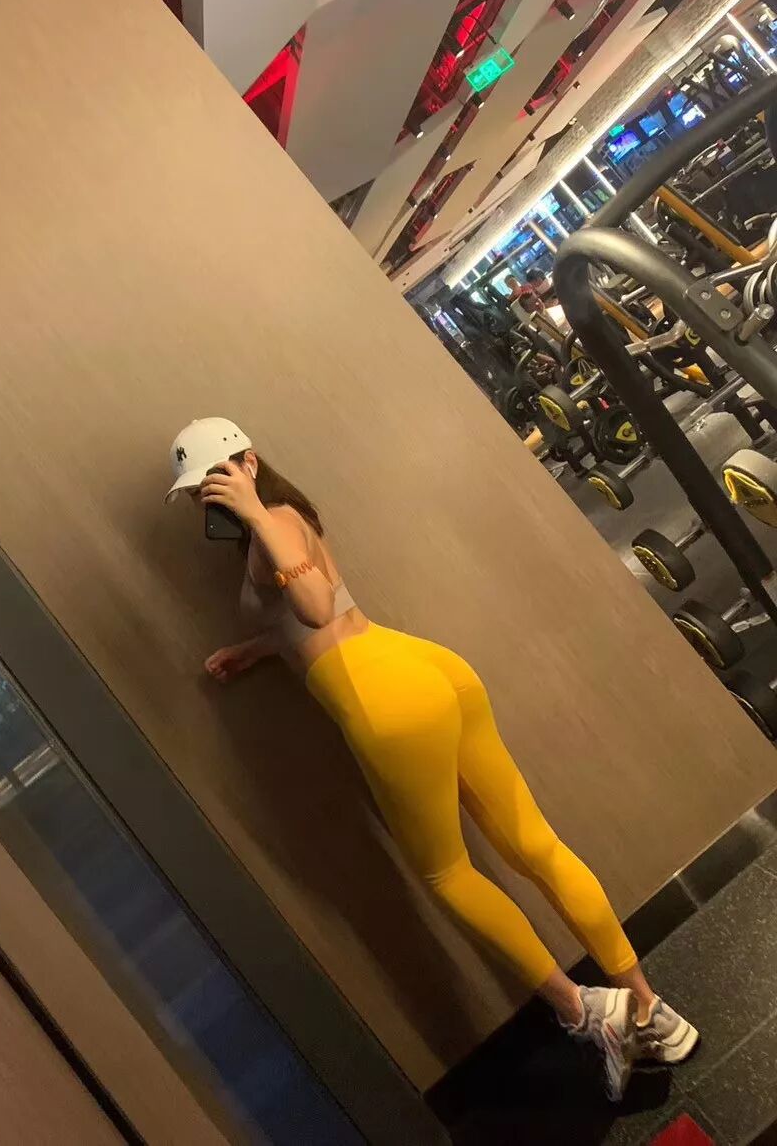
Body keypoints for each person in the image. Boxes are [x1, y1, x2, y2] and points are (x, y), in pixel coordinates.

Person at [165, 417, 699, 1102]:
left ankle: (585, 1011)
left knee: (448, 874)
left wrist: (253, 513)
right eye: (197, 492)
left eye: (213, 480)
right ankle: (650, 1010)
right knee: (534, 843)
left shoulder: (272, 521)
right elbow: (310, 617)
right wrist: (255, 648)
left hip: (386, 701)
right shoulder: (288, 517)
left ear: (249, 463)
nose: (204, 499)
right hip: (423, 667)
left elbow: (317, 607)